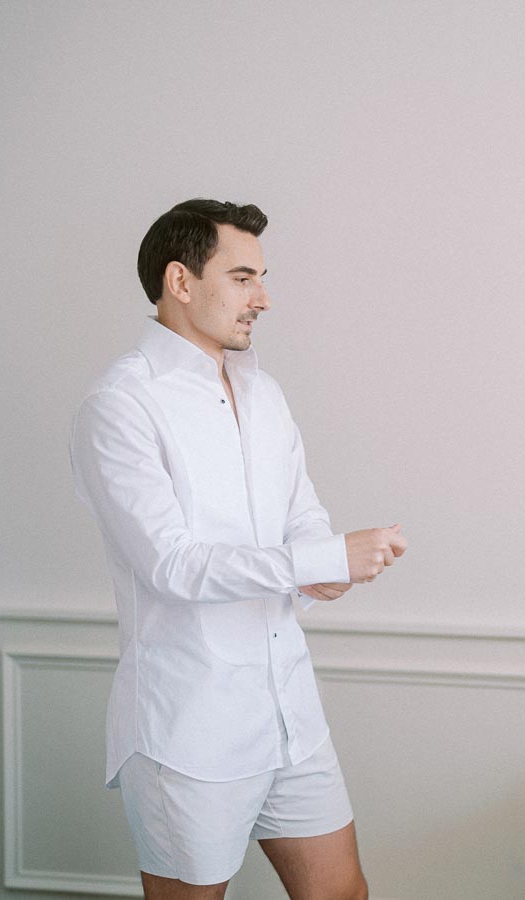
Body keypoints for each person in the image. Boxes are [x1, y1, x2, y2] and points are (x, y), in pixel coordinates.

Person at [71, 198, 406, 898]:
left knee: (343, 893)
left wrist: (327, 568)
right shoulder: (122, 405)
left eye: (263, 277)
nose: (265, 298)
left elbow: (302, 516)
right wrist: (322, 560)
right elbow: (172, 564)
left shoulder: (264, 394)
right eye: (245, 276)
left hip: (290, 714)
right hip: (187, 730)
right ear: (181, 281)